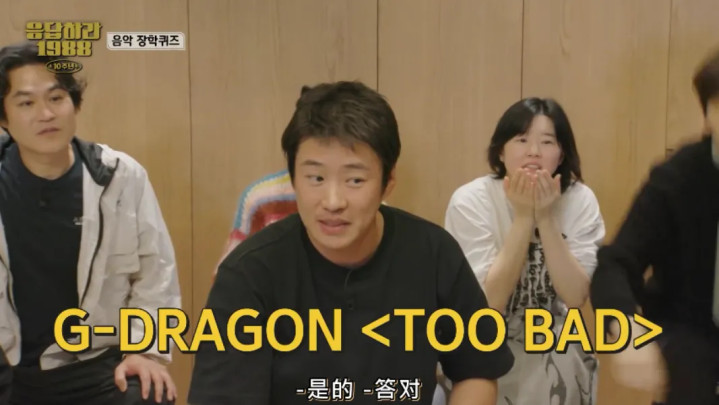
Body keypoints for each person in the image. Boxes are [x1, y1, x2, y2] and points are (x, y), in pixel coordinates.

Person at [188, 81, 514, 405]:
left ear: (388, 181)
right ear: (293, 178)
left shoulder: (433, 253)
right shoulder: (248, 275)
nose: (333, 202)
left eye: (355, 180)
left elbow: (476, 371)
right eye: (316, 178)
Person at [0, 41, 181, 404]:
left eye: (56, 98)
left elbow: (155, 273)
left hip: (95, 363)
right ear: (4, 119)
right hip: (10, 367)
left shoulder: (120, 177)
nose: (46, 114)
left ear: (75, 103)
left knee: (151, 393)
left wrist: (145, 353)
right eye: (26, 103)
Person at [445, 98, 605, 405]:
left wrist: (544, 218)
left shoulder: (580, 200)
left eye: (547, 142)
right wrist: (522, 219)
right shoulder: (471, 201)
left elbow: (575, 296)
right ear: (500, 152)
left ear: (561, 155)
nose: (534, 151)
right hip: (486, 337)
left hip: (554, 341)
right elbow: (488, 304)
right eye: (521, 140)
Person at [590, 47, 719, 405]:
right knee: (688, 362)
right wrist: (626, 328)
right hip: (692, 341)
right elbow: (616, 263)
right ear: (708, 117)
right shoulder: (677, 179)